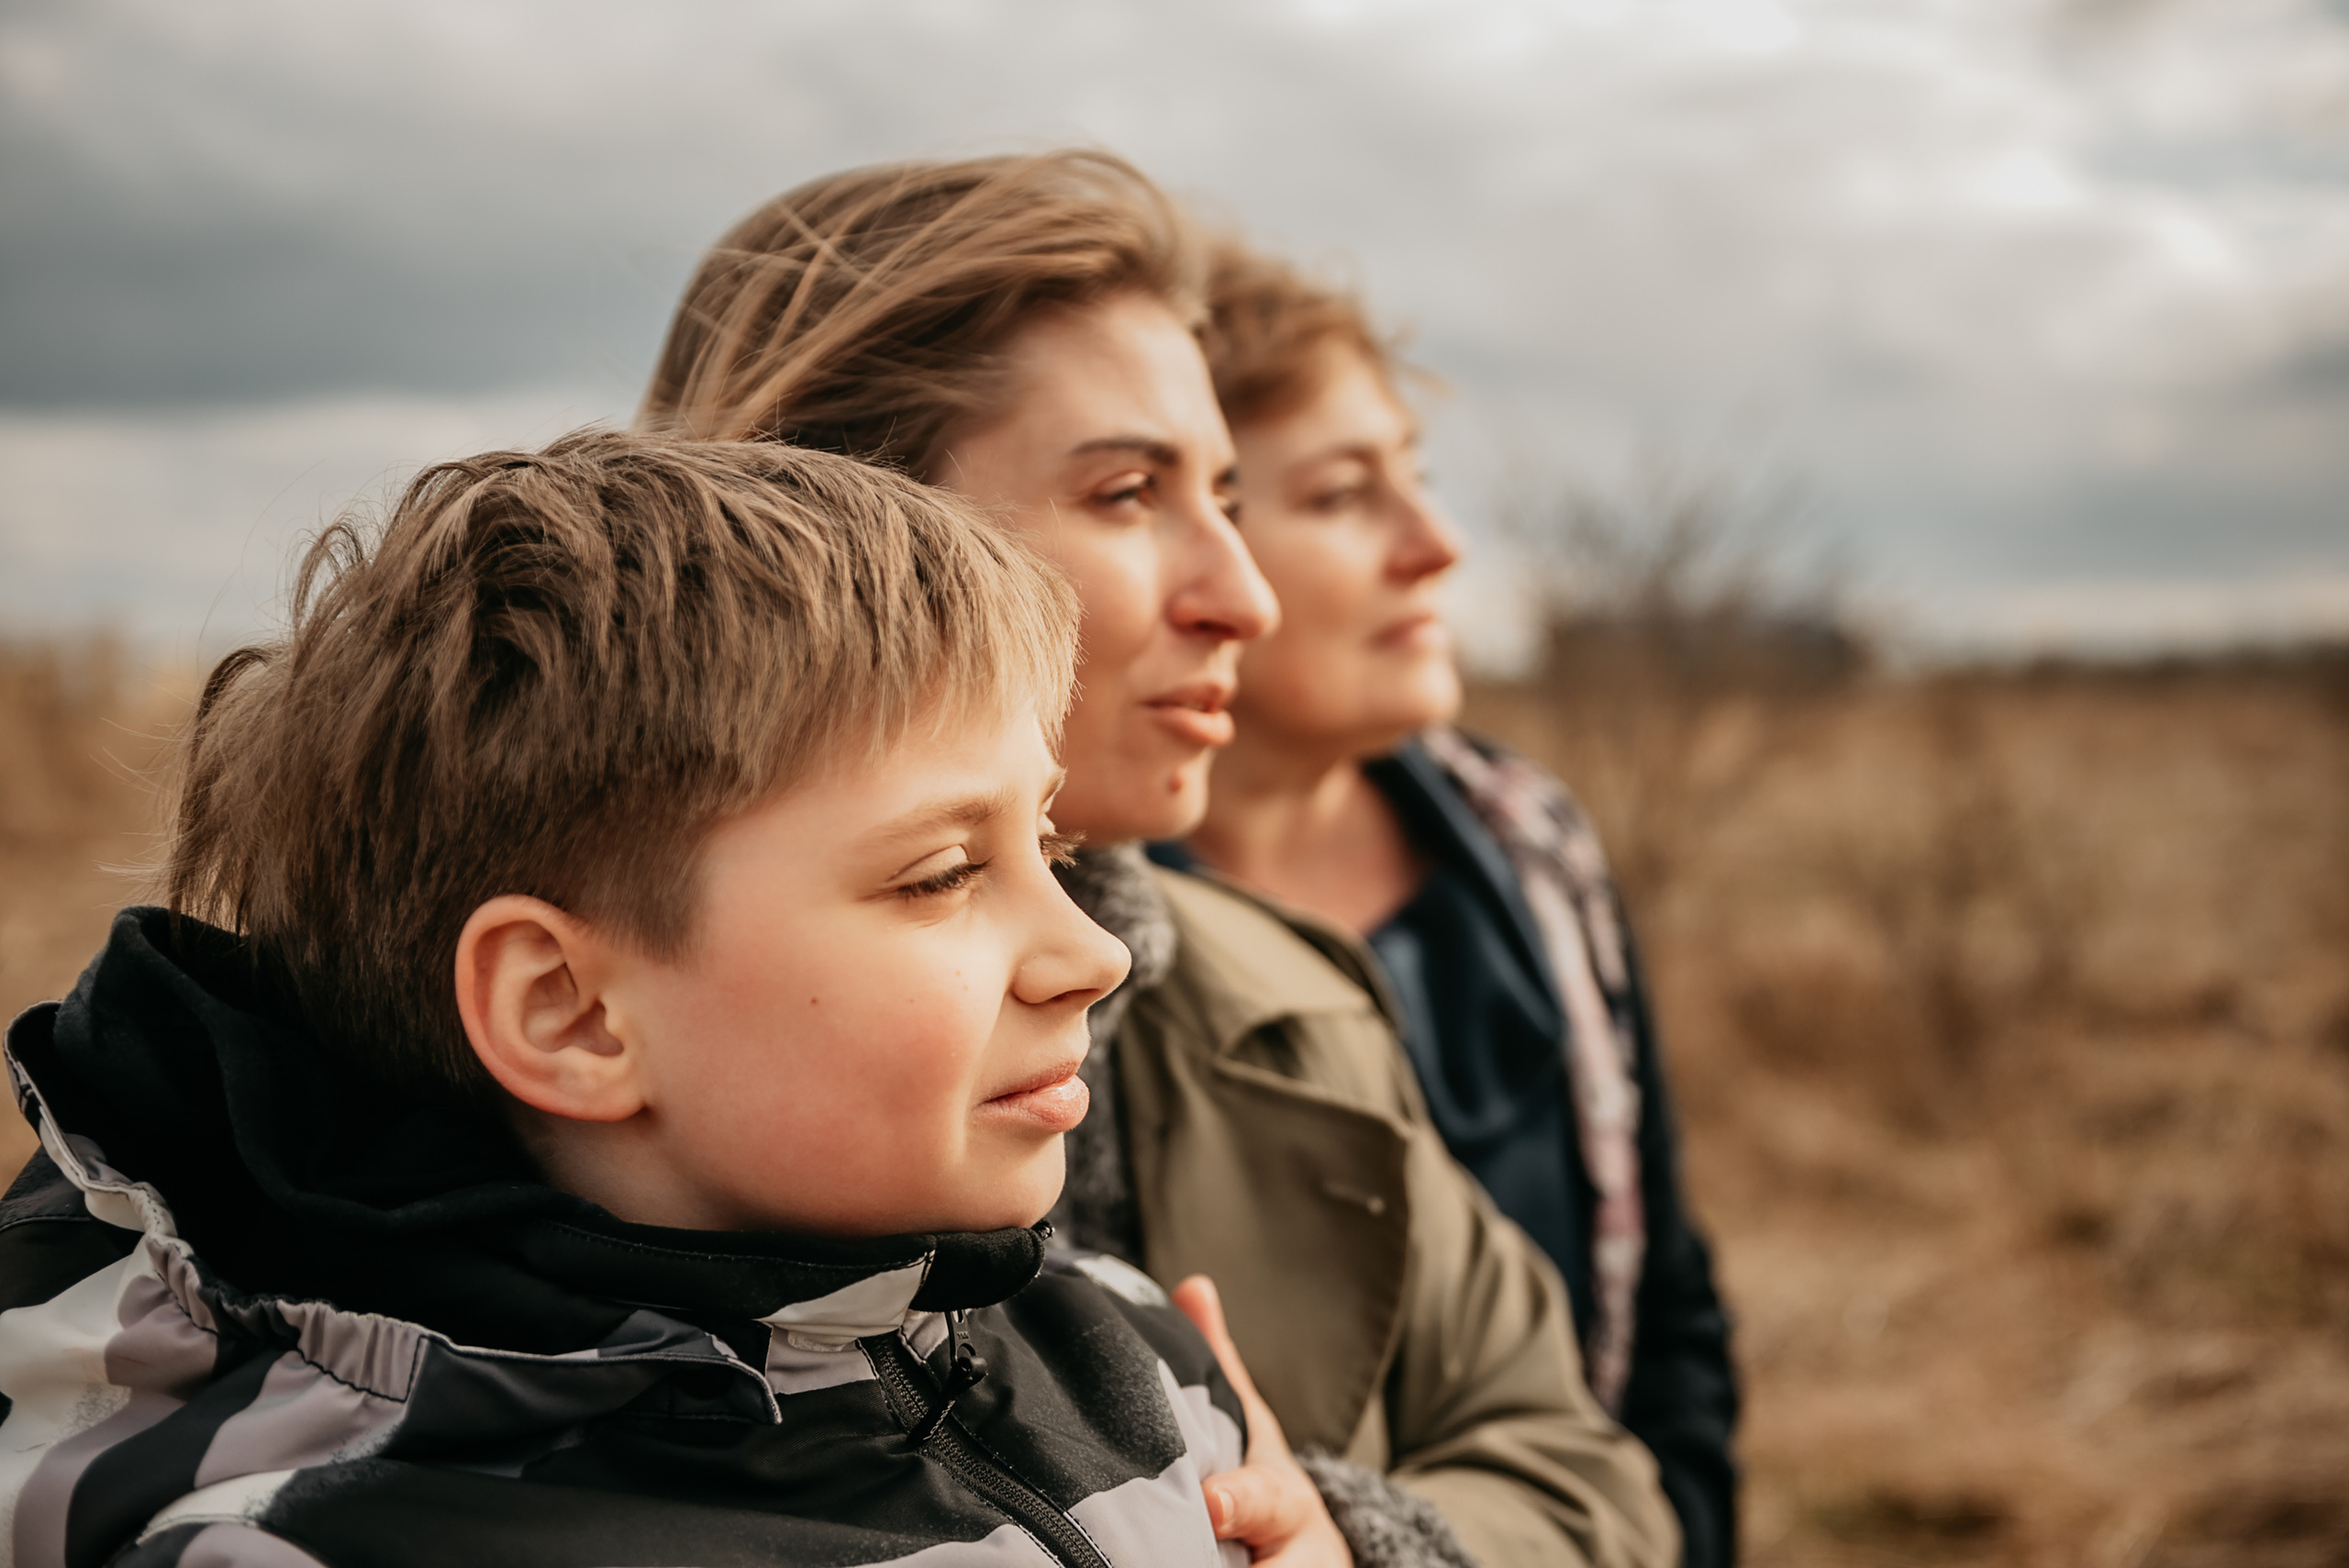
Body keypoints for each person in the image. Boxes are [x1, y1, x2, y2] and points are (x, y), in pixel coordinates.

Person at [640, 151, 1679, 1568]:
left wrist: (1353, 1544)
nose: (1240, 595)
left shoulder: (1292, 1005)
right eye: (1129, 493)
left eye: (1232, 497)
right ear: (845, 520)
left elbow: (1591, 1475)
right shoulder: (596, 1039)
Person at [0, 431, 1266, 1567]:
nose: (1092, 949)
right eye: (941, 873)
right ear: (571, 1011)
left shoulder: (1121, 1344)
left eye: (1046, 843)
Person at [1168, 244, 1741, 1568]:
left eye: (1416, 475)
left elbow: (1665, 1304)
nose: (1436, 546)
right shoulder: (1078, 946)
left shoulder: (1528, 847)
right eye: (1342, 495)